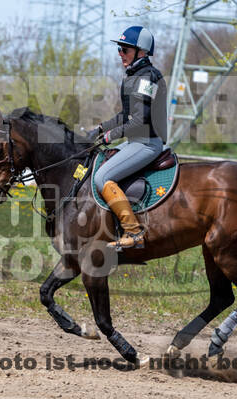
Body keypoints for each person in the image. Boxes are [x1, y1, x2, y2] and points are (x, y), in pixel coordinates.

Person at [87, 25, 168, 250]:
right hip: (134, 141)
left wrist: (110, 136)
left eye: (125, 49)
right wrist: (100, 129)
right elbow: (125, 115)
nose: (120, 54)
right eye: (120, 49)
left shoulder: (147, 78)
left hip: (146, 143)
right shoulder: (134, 76)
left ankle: (133, 232)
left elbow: (139, 121)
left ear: (141, 52)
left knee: (102, 178)